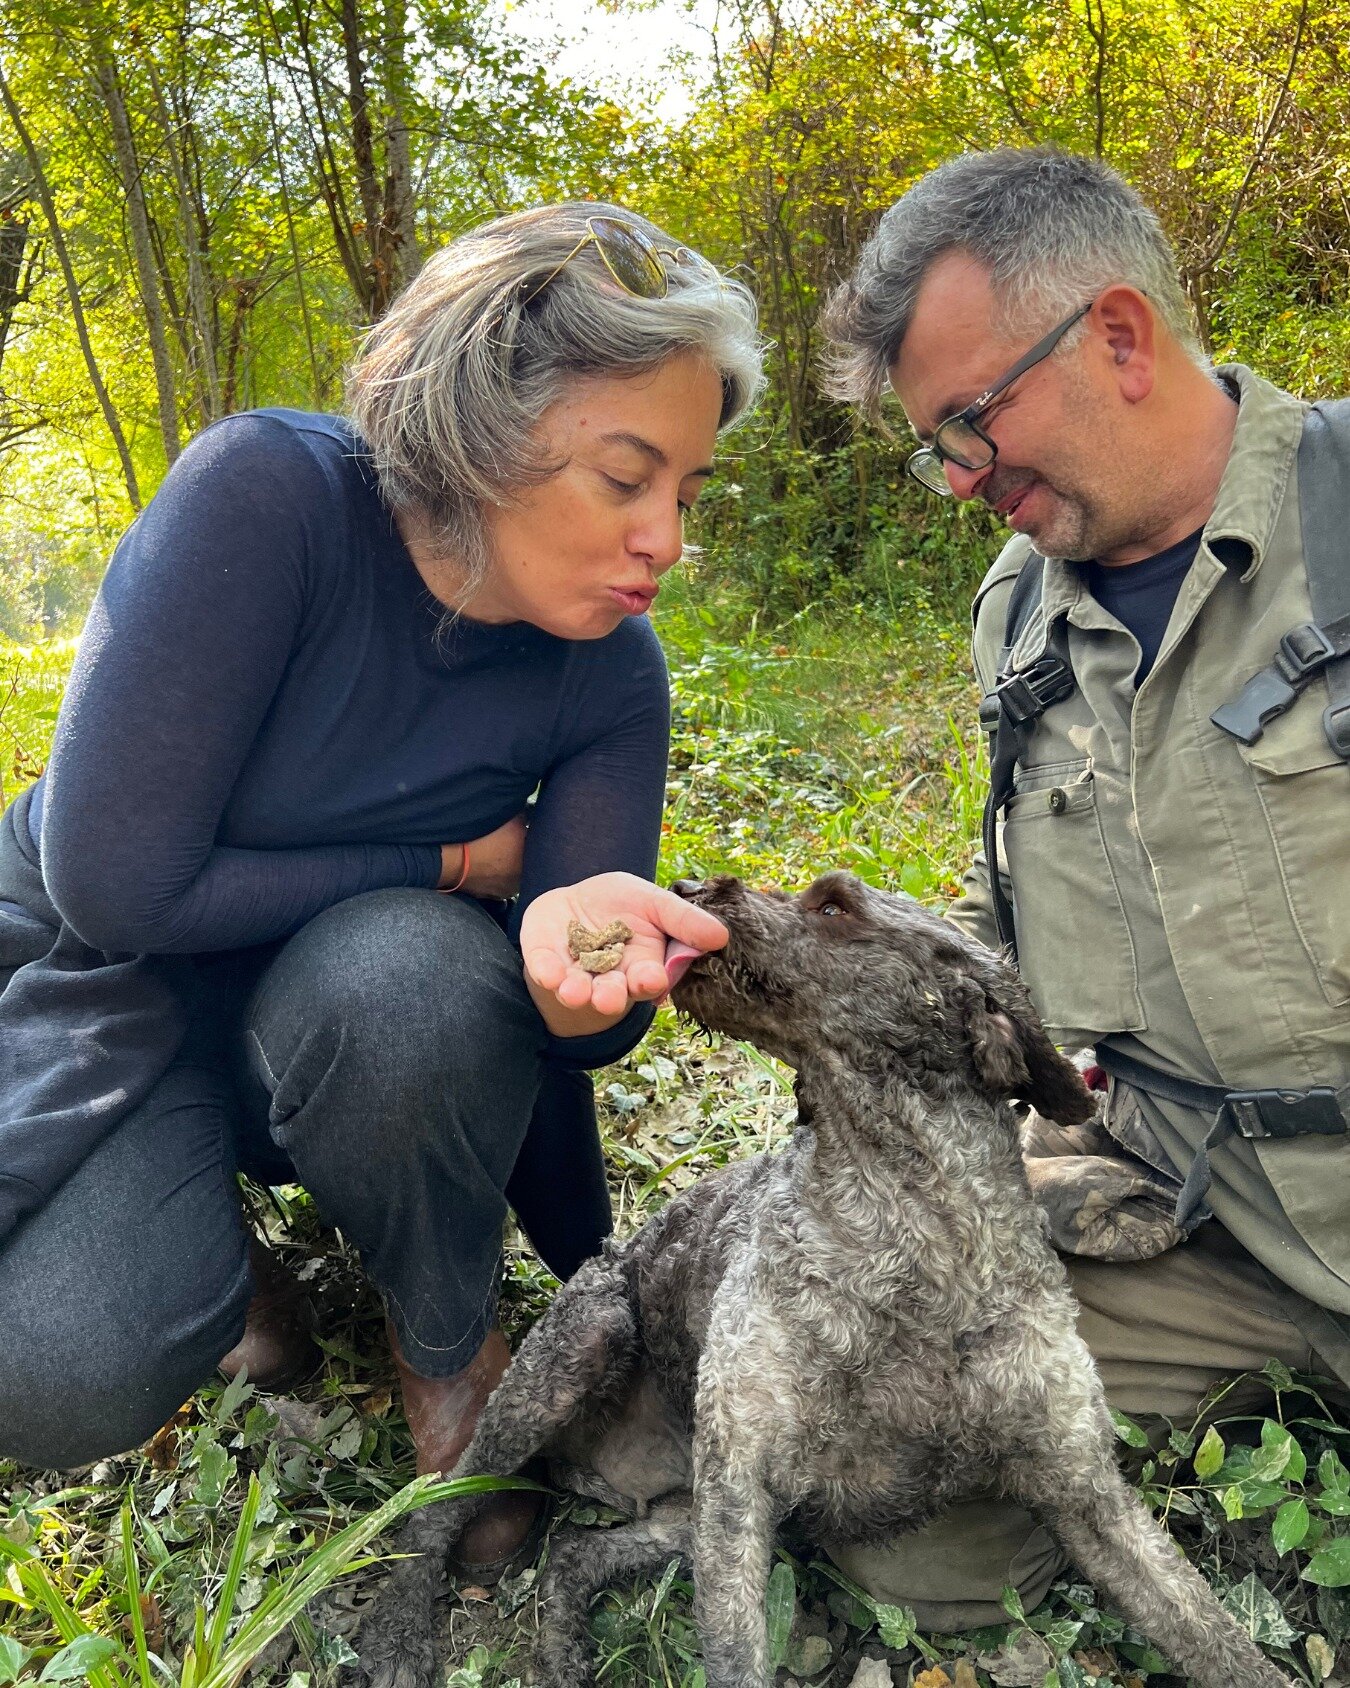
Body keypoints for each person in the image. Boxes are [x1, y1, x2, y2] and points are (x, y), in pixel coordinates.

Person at [0, 203, 759, 1570]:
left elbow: (603, 1022)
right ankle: (214, 1258)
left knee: (410, 975)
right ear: (480, 432)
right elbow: (116, 889)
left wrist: (572, 966)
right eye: (624, 476)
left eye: (687, 494)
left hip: (329, 1002)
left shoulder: (608, 676)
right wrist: (458, 863)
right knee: (53, 1370)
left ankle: (451, 1348)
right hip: (105, 977)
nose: (665, 539)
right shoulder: (270, 500)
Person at [821, 147, 1350, 1627]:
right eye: (937, 447)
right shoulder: (1015, 614)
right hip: (1199, 1214)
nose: (964, 480)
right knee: (883, 1492)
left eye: (971, 421)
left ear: (1115, 335)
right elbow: (1011, 919)